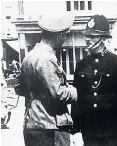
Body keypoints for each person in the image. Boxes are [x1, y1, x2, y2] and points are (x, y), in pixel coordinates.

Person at [72, 14, 117, 146]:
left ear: (103, 38)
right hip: (88, 130)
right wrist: (76, 130)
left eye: (92, 36)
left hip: (113, 130)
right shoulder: (81, 65)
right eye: (86, 35)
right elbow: (77, 99)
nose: (87, 39)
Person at [20, 14, 77, 146]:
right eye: (65, 35)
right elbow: (58, 94)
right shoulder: (46, 59)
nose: (66, 38)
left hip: (32, 123)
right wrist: (75, 92)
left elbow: (21, 89)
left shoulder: (29, 56)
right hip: (49, 126)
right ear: (58, 36)